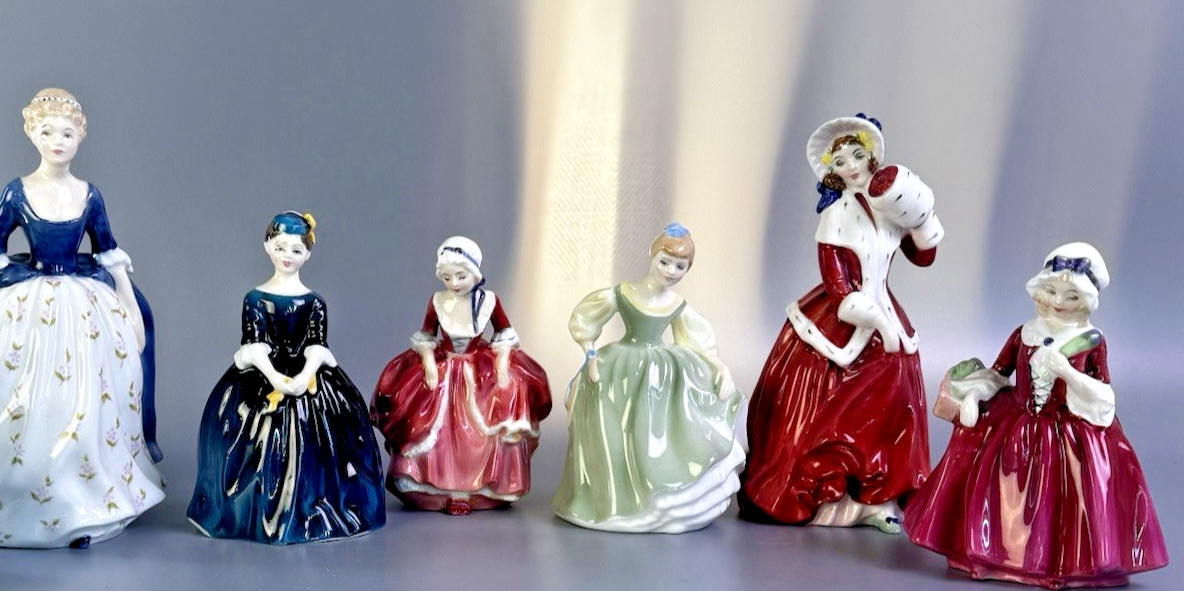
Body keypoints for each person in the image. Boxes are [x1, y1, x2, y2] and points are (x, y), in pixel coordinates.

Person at [0, 88, 163, 548]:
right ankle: (10, 491)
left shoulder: (88, 195)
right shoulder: (17, 192)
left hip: (80, 303)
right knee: (14, 388)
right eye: (48, 132)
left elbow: (108, 250)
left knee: (82, 395)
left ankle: (78, 498)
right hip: (26, 301)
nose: (58, 141)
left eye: (67, 134)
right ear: (32, 135)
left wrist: (129, 304)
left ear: (81, 138)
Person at [905, 243, 1167, 589]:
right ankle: (992, 551)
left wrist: (1066, 372)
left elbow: (1103, 391)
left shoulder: (1091, 341)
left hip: (1067, 427)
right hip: (1019, 420)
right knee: (991, 468)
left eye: (1070, 297)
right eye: (1051, 292)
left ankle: (1059, 563)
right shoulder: (1024, 333)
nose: (1058, 302)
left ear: (1085, 301)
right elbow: (999, 373)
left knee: (1070, 491)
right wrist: (975, 394)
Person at [740, 114, 941, 532]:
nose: (850, 166)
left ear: (871, 157)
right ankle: (828, 495)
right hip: (844, 317)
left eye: (856, 155)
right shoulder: (835, 216)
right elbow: (838, 288)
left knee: (897, 397)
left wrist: (922, 219)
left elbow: (923, 256)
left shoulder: (890, 203)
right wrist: (879, 324)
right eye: (839, 161)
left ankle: (879, 496)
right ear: (831, 172)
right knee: (829, 402)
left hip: (885, 307)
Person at [187, 212, 385, 544]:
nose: (287, 256)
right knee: (253, 426)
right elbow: (254, 345)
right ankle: (249, 514)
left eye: (296, 250)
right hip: (263, 376)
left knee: (326, 430)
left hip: (308, 377)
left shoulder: (315, 302)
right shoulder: (254, 299)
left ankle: (308, 508)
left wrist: (304, 376)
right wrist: (276, 379)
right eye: (280, 247)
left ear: (307, 254)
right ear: (267, 247)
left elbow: (317, 346)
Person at [552, 223, 744, 533]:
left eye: (680, 266)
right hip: (619, 366)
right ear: (651, 256)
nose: (670, 271)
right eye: (664, 262)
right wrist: (590, 355)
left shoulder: (677, 305)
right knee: (610, 423)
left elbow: (699, 342)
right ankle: (609, 499)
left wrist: (719, 367)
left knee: (652, 429)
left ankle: (658, 491)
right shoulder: (624, 293)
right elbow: (585, 319)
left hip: (658, 372)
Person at [372, 236, 552, 515]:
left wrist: (502, 366)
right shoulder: (438, 301)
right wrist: (429, 365)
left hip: (479, 366)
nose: (454, 283)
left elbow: (505, 333)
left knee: (508, 392)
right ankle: (426, 481)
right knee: (421, 407)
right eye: (447, 277)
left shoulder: (489, 301)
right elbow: (426, 336)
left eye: (460, 276)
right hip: (443, 362)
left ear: (474, 272)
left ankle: (488, 484)